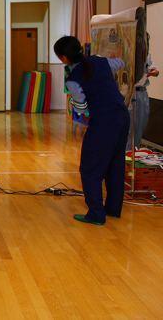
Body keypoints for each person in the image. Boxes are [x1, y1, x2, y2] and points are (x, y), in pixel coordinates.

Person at [55, 36, 129, 225]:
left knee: (90, 168)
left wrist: (84, 123)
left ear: (64, 58)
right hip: (122, 116)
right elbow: (120, 63)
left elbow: (81, 109)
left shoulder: (73, 79)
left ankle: (96, 214)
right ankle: (113, 209)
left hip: (104, 121)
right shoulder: (100, 61)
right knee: (115, 164)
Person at [128, 41, 159, 149]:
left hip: (142, 93)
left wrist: (152, 72)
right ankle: (126, 153)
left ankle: (135, 150)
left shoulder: (146, 55)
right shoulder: (127, 52)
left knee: (140, 125)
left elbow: (155, 71)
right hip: (130, 92)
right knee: (129, 127)